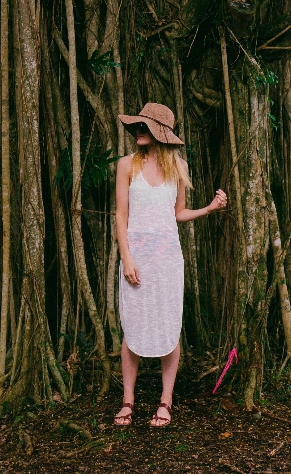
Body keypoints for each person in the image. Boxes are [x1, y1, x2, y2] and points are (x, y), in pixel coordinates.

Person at [114, 102, 227, 427]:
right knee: (132, 328)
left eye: (144, 127)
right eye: (137, 125)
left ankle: (166, 400)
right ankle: (128, 400)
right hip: (136, 259)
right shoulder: (126, 165)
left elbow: (178, 213)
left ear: (159, 133)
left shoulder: (179, 167)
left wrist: (208, 209)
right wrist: (126, 257)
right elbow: (121, 216)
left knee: (168, 327)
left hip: (167, 261)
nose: (138, 130)